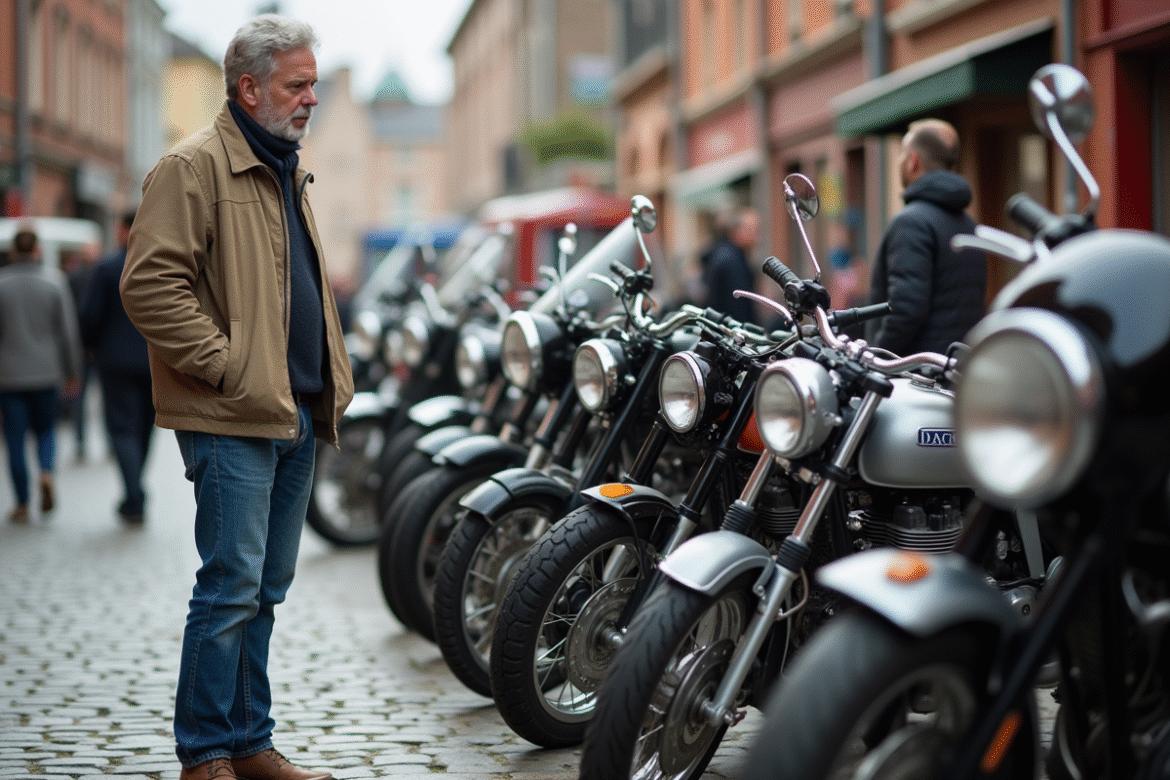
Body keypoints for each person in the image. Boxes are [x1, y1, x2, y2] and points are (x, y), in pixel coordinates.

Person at [120, 15, 353, 780]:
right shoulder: (190, 169)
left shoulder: (284, 162)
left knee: (264, 594)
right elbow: (149, 286)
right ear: (249, 88)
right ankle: (205, 755)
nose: (312, 97)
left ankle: (252, 745)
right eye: (299, 83)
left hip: (293, 413)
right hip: (234, 417)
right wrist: (229, 367)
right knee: (228, 592)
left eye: (314, 82)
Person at [867, 118, 986, 356]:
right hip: (955, 368)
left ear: (913, 161)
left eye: (902, 154)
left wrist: (875, 356)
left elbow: (906, 309)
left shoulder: (911, 223)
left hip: (916, 375)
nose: (900, 161)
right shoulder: (969, 224)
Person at [0, 226, 82, 522]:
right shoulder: (55, 283)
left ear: (13, 252)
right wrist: (72, 372)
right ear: (36, 251)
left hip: (8, 377)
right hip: (47, 373)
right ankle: (46, 472)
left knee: (15, 439)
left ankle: (22, 503)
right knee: (46, 430)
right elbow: (68, 333)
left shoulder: (2, 284)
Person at [79, 211, 154, 523]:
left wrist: (90, 346)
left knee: (122, 428)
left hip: (114, 360)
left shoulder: (108, 267)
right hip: (153, 360)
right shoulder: (157, 266)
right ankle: (135, 490)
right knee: (144, 428)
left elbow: (90, 315)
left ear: (123, 230)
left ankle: (134, 495)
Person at [64, 242, 100, 461]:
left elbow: (71, 316)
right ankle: (109, 443)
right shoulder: (103, 275)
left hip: (80, 348)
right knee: (105, 401)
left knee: (80, 399)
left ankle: (79, 443)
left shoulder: (73, 278)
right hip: (99, 349)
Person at [699, 205, 759, 325]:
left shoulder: (724, 254)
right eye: (752, 231)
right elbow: (738, 307)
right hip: (730, 331)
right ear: (736, 232)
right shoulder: (732, 263)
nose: (757, 237)